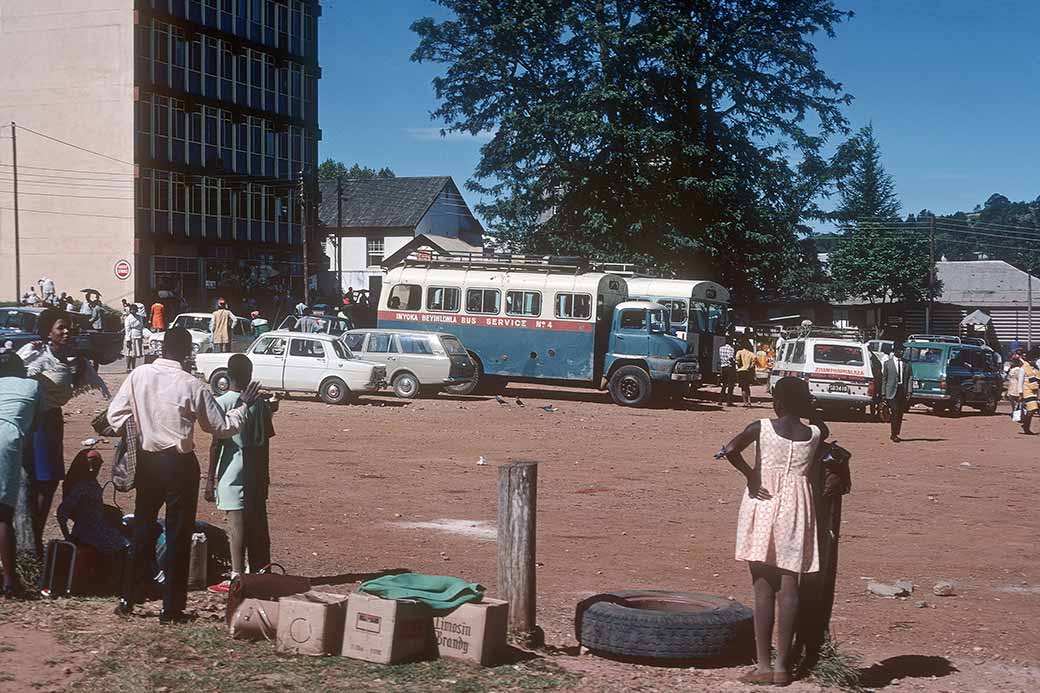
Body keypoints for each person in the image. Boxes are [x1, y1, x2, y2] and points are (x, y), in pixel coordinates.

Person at [107, 328, 260, 623]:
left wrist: (138, 430)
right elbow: (221, 427)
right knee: (178, 535)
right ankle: (171, 608)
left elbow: (115, 415)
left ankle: (128, 597)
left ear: (163, 348)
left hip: (148, 463)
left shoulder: (139, 376)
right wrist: (244, 407)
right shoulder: (192, 384)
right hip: (179, 466)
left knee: (142, 529)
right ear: (188, 352)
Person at [719, 376, 829, 687]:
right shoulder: (815, 434)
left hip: (764, 503)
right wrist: (810, 408)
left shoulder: (761, 427)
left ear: (777, 402)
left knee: (762, 586)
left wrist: (750, 475)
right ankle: (783, 667)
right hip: (798, 508)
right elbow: (821, 423)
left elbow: (729, 449)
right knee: (789, 585)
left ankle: (763, 665)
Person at [17, 309, 109, 558]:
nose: (67, 331)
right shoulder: (36, 355)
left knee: (48, 484)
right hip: (35, 424)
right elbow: (15, 370)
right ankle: (30, 544)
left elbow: (89, 382)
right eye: (61, 327)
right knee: (36, 483)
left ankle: (33, 541)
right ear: (48, 331)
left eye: (69, 327)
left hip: (53, 424)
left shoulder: (72, 359)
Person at [205, 355, 277, 591]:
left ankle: (236, 575)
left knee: (236, 525)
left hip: (231, 468)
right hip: (255, 469)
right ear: (250, 374)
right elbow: (265, 439)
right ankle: (258, 570)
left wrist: (209, 480)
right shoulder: (259, 403)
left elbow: (216, 443)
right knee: (255, 523)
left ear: (228, 374)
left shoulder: (223, 401)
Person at [0, 353, 41, 597]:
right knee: (3, 514)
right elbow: (35, 423)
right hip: (7, 440)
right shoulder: (32, 386)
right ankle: (10, 581)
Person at [57, 450, 130, 555]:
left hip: (95, 529)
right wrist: (67, 537)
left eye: (98, 466)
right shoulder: (82, 486)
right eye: (94, 466)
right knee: (125, 546)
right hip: (90, 534)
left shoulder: (90, 482)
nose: (96, 469)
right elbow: (62, 512)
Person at [883, 343, 913, 442]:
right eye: (899, 350)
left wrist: (909, 391)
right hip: (891, 391)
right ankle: (893, 434)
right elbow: (885, 379)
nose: (902, 352)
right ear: (895, 351)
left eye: (903, 350)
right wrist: (883, 393)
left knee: (900, 413)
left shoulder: (907, 364)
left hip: (902, 391)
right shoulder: (888, 364)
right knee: (895, 411)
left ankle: (896, 433)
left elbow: (909, 378)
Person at [1019, 349, 1040, 434]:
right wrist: (1020, 393)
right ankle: (1026, 426)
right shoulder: (1023, 369)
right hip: (1027, 390)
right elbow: (1020, 382)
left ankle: (1026, 425)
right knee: (1032, 408)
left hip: (1035, 391)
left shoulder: (1036, 368)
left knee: (1032, 409)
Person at [735, 341, 757, 409]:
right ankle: (749, 401)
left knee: (743, 388)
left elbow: (737, 361)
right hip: (748, 372)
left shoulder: (739, 352)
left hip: (741, 371)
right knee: (747, 387)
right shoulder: (751, 354)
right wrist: (749, 367)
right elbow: (753, 363)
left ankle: (745, 402)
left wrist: (740, 365)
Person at [124, 304, 145, 372]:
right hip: (131, 336)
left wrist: (142, 335)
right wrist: (128, 339)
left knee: (134, 354)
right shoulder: (128, 318)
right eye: (132, 310)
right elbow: (127, 329)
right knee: (129, 353)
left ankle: (133, 367)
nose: (133, 311)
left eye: (135, 310)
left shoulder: (139, 317)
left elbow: (141, 327)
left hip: (138, 336)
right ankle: (128, 367)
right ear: (130, 310)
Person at [718, 338, 737, 407]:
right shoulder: (731, 349)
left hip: (723, 367)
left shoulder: (721, 348)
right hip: (730, 367)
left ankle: (720, 400)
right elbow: (730, 358)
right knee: (730, 385)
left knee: (724, 384)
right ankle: (729, 401)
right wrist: (735, 362)